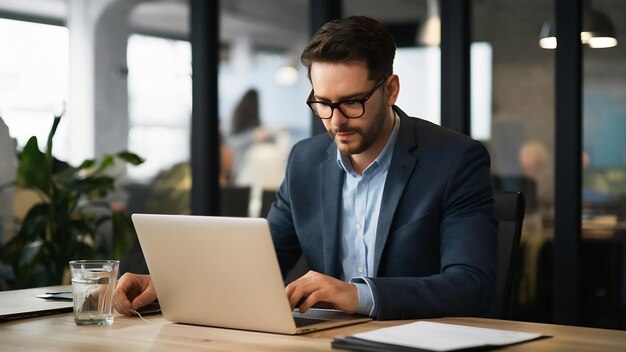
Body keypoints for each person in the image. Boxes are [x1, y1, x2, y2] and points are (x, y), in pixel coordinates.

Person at [115, 16, 497, 320]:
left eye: (352, 102)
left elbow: (471, 285)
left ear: (391, 90)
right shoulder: (305, 160)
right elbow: (256, 262)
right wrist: (169, 285)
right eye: (322, 103)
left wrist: (358, 294)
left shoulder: (454, 160)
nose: (335, 121)